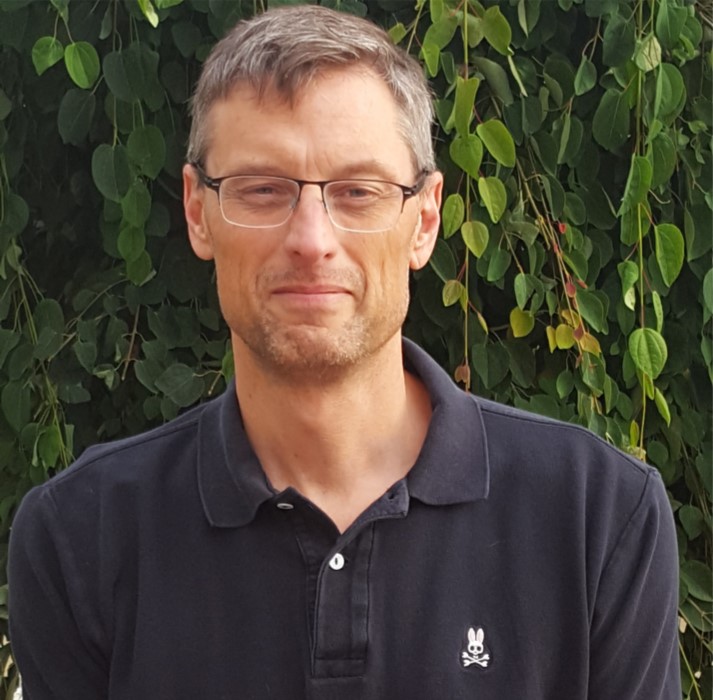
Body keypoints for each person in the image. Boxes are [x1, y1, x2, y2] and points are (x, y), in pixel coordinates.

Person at [9, 6, 681, 699]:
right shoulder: (80, 537)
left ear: (422, 220)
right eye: (262, 189)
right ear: (195, 211)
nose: (310, 238)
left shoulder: (595, 516)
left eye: (357, 192)